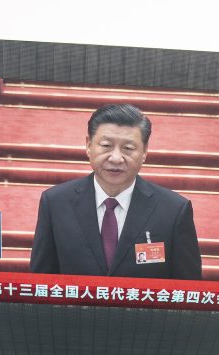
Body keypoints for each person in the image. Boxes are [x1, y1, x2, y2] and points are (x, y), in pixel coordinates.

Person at [29, 103, 202, 280]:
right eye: (106, 145)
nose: (116, 158)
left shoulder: (173, 211)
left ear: (144, 152)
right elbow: (41, 281)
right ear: (88, 145)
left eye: (128, 148)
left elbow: (189, 290)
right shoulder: (56, 203)